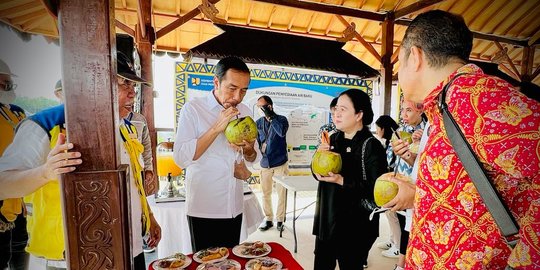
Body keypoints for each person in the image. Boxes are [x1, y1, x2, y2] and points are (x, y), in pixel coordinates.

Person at [389, 10, 540, 269]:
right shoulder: (447, 105)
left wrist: (524, 260)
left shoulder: (480, 100)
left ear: (414, 57)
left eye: (399, 63)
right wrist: (419, 192)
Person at [0, 52, 162, 270]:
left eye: (133, 85)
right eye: (124, 83)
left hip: (130, 249)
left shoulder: (127, 127)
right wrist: (46, 173)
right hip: (76, 257)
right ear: (93, 80)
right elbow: (3, 184)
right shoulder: (46, 125)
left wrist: (149, 216)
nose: (133, 93)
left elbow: (134, 184)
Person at [173, 56, 259, 252]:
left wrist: (248, 150)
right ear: (216, 82)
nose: (238, 97)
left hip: (234, 206)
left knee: (232, 263)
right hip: (204, 207)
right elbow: (180, 157)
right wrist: (216, 128)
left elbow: (255, 158)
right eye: (232, 88)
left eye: (244, 90)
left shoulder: (245, 111)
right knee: (205, 264)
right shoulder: (193, 109)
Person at [312, 89, 387, 269]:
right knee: (322, 264)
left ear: (359, 114)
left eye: (343, 109)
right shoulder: (332, 139)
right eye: (336, 108)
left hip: (355, 227)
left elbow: (377, 190)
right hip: (327, 218)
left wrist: (341, 180)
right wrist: (317, 162)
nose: (336, 113)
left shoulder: (371, 146)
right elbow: (316, 172)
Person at [0, 59, 28, 270]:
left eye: (9, 84)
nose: (8, 89)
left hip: (15, 197)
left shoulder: (15, 112)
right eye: (4, 84)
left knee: (20, 246)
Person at [255, 95, 289, 232]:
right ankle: (269, 219)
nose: (259, 109)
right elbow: (257, 141)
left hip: (280, 162)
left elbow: (281, 133)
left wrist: (271, 117)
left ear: (269, 106)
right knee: (265, 193)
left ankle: (280, 220)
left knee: (282, 193)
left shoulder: (282, 120)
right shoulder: (258, 122)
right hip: (265, 163)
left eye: (261, 107)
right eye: (257, 107)